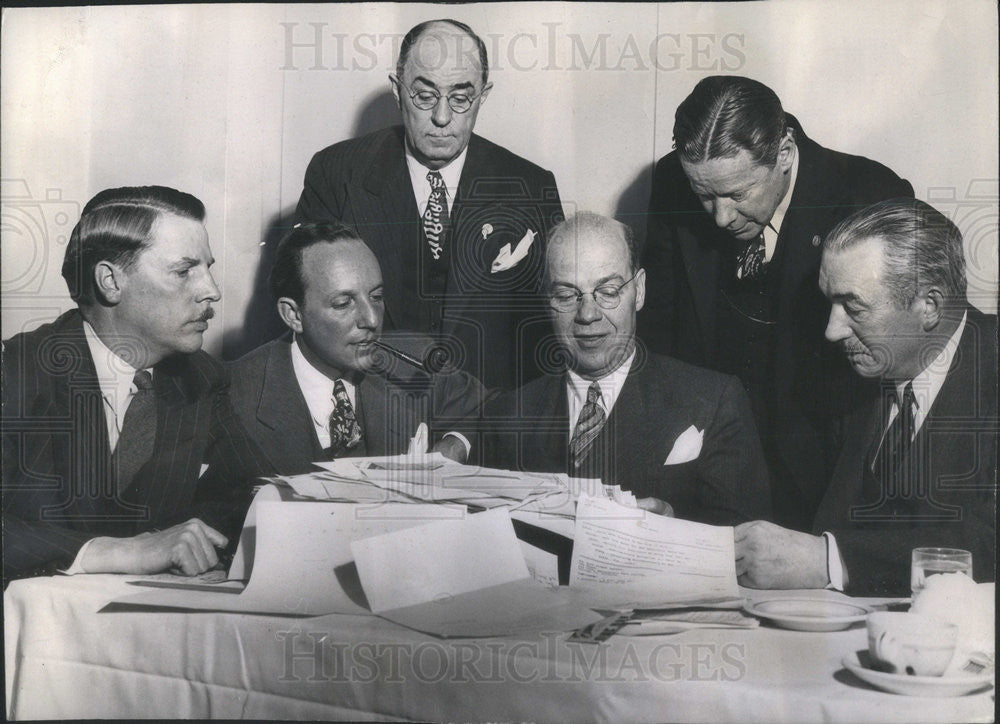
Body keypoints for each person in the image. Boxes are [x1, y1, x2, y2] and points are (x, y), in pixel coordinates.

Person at [639, 76, 914, 530]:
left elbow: (889, 371)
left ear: (784, 153)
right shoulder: (674, 179)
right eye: (704, 195)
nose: (721, 217)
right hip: (709, 472)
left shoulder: (869, 195)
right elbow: (661, 334)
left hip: (823, 477)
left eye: (737, 194)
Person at [2, 186, 270, 581]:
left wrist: (184, 538)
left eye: (207, 268)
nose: (211, 290)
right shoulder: (16, 374)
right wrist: (113, 552)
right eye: (184, 271)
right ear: (110, 281)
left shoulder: (201, 378)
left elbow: (248, 493)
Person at [736, 198, 996, 596]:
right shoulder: (850, 376)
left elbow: (987, 542)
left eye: (853, 307)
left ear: (929, 306)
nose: (832, 331)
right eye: (830, 303)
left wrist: (831, 561)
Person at [295, 19, 563, 392]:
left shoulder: (531, 186)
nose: (441, 117)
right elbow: (303, 312)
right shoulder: (335, 174)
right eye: (424, 96)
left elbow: (548, 334)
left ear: (483, 96)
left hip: (491, 419)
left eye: (460, 97)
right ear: (398, 90)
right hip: (369, 409)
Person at [473, 212, 772, 526]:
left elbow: (744, 546)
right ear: (547, 300)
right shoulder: (505, 417)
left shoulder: (713, 402)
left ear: (639, 291)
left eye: (608, 292)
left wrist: (671, 525)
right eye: (566, 295)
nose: (587, 314)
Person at [228, 222, 484, 474]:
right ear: (294, 314)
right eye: (343, 303)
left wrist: (455, 444)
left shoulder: (416, 360)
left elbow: (482, 407)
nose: (372, 320)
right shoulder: (234, 394)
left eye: (376, 297)